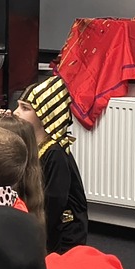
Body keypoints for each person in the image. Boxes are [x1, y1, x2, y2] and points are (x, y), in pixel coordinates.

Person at [12, 76, 89, 252]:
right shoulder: (34, 145)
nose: (16, 112)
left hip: (63, 234)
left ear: (45, 113)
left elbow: (54, 202)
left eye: (25, 108)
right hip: (43, 224)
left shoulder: (55, 153)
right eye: (18, 106)